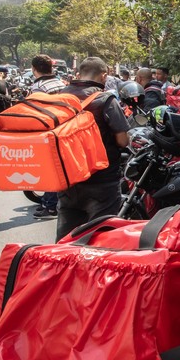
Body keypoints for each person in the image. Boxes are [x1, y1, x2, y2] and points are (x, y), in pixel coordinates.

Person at [56, 57, 131, 240]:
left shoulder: (58, 97)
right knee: (99, 237)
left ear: (79, 73)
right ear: (104, 76)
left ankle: (61, 266)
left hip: (68, 177)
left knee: (66, 238)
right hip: (101, 179)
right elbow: (122, 140)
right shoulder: (105, 99)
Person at [28, 55, 68, 218]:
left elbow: (36, 113)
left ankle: (51, 206)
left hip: (47, 131)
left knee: (49, 169)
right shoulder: (60, 83)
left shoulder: (38, 87)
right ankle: (51, 201)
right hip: (63, 128)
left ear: (34, 69)